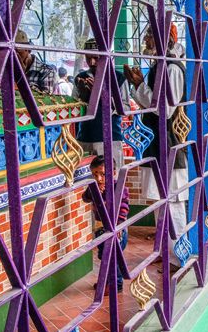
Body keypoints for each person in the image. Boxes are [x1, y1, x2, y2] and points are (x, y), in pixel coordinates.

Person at [123, 24, 189, 270]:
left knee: (172, 203)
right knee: (162, 203)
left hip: (169, 143)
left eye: (151, 34)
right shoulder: (161, 65)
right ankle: (167, 251)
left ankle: (177, 256)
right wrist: (140, 84)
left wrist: (140, 85)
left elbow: (166, 109)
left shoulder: (171, 68)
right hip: (157, 142)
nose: (146, 39)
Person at [75, 38, 129, 167]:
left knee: (111, 179)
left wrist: (103, 96)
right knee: (86, 181)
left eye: (96, 58)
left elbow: (125, 108)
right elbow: (75, 108)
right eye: (88, 58)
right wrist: (82, 98)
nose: (92, 62)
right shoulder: (80, 78)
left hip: (110, 138)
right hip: (85, 137)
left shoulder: (118, 78)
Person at [82, 155, 130, 291]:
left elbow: (124, 209)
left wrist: (119, 226)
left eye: (103, 174)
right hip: (101, 230)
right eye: (95, 174)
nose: (99, 178)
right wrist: (94, 191)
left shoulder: (119, 188)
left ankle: (115, 285)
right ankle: (108, 282)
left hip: (116, 231)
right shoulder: (94, 187)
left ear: (113, 173)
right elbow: (85, 198)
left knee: (113, 258)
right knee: (105, 256)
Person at [14, 29, 57, 94]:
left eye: (18, 52)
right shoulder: (7, 69)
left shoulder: (47, 71)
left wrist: (21, 76)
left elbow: (46, 100)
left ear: (28, 50)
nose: (14, 56)